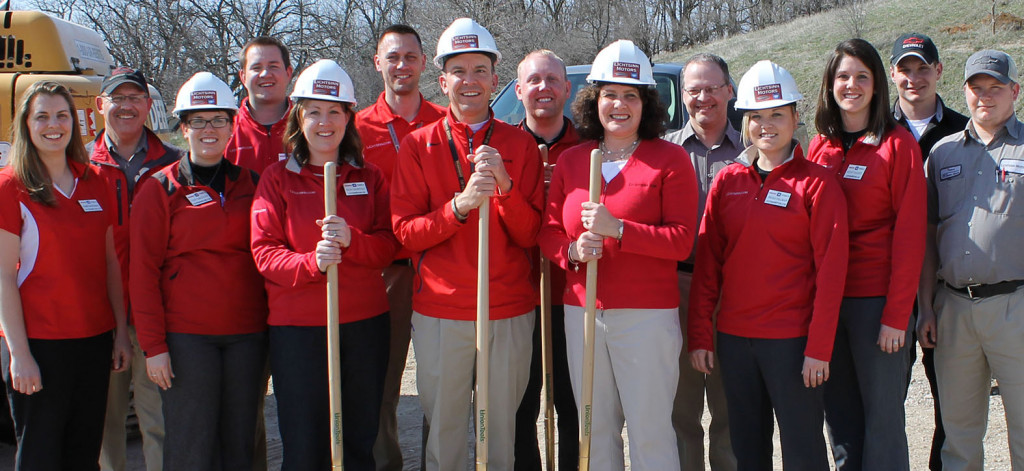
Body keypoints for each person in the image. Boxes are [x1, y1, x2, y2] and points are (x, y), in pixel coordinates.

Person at [390, 18, 543, 471]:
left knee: (500, 438)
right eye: (459, 70)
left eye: (480, 70)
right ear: (442, 81)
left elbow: (531, 234)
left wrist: (505, 188)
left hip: (509, 308)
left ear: (496, 80)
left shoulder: (520, 144)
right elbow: (406, 232)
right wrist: (459, 206)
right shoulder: (419, 146)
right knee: (446, 435)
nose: (470, 80)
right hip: (442, 311)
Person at [538, 39, 697, 471]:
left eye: (631, 95)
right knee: (595, 431)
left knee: (650, 433)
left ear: (647, 103)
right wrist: (571, 250)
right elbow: (547, 231)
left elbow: (682, 240)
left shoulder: (670, 159)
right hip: (582, 313)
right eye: (610, 94)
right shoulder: (573, 161)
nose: (619, 105)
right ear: (595, 100)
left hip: (646, 317)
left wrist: (620, 230)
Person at [689, 60, 848, 471]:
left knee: (803, 451)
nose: (766, 125)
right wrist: (702, 335)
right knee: (746, 451)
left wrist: (819, 348)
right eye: (756, 116)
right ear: (744, 121)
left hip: (792, 343)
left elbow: (831, 273)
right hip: (736, 341)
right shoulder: (728, 182)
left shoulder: (817, 183)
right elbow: (708, 265)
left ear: (795, 117)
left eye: (777, 114)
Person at [251, 59, 398, 471]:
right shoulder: (277, 179)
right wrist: (311, 262)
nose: (324, 121)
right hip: (298, 329)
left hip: (363, 323)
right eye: (314, 111)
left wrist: (354, 241)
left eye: (335, 111)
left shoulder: (369, 178)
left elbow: (388, 247)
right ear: (299, 116)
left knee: (358, 435)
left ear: (349, 117)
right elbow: (264, 253)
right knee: (304, 439)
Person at [129, 71, 268, 470]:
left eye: (219, 119)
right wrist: (154, 347)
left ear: (232, 125)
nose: (209, 129)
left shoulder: (252, 183)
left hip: (247, 336)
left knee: (240, 440)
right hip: (187, 338)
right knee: (192, 443)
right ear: (184, 127)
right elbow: (142, 272)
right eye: (198, 121)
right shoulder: (160, 187)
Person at [806, 38, 926, 471]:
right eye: (842, 76)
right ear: (829, 84)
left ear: (877, 85)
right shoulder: (820, 147)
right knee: (839, 417)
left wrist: (897, 316)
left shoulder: (898, 146)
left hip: (876, 304)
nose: (851, 85)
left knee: (883, 421)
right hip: (828, 304)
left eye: (861, 76)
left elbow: (911, 237)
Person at [0, 81, 132, 469]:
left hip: (92, 342)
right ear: (26, 123)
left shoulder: (95, 181)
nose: (53, 125)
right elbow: (4, 276)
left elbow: (109, 265)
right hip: (39, 345)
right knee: (41, 454)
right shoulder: (10, 185)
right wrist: (19, 354)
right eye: (42, 116)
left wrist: (120, 331)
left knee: (83, 452)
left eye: (62, 115)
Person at [919, 49, 1024, 471]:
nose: (985, 97)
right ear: (963, 92)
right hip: (954, 309)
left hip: (1014, 307)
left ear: (1014, 91)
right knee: (958, 435)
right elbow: (927, 238)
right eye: (976, 88)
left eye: (995, 88)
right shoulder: (942, 154)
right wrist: (926, 306)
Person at [353, 24, 445, 471]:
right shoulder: (355, 128)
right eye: (393, 57)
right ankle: (386, 462)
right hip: (384, 269)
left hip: (439, 265)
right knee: (383, 382)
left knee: (437, 382)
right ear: (377, 63)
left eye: (410, 56)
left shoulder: (444, 121)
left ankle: (435, 461)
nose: (402, 65)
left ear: (424, 63)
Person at [91, 67, 181, 471]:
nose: (125, 106)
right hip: (98, 318)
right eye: (117, 98)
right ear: (100, 105)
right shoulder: (78, 169)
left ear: (147, 106)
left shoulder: (175, 166)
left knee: (159, 423)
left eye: (135, 98)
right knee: (103, 425)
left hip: (157, 318)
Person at [889, 32, 969, 471]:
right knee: (886, 400)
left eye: (923, 68)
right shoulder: (875, 131)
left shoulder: (964, 129)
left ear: (939, 71)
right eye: (906, 68)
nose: (914, 77)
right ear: (893, 74)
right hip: (888, 287)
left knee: (952, 400)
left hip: (948, 287)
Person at [662, 53, 741, 471]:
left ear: (730, 91)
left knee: (732, 409)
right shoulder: (664, 153)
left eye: (712, 88)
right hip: (679, 287)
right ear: (682, 96)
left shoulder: (753, 149)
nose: (703, 97)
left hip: (737, 293)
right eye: (693, 90)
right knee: (681, 409)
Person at [512, 49, 580, 471]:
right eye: (534, 80)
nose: (544, 88)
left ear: (567, 89)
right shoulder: (505, 144)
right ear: (518, 90)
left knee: (573, 405)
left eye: (553, 80)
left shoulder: (590, 146)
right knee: (521, 405)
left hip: (572, 297)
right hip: (519, 298)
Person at [226, 36, 294, 174]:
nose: (265, 74)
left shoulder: (308, 126)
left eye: (273, 66)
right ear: (243, 77)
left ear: (288, 73)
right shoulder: (225, 130)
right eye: (256, 68)